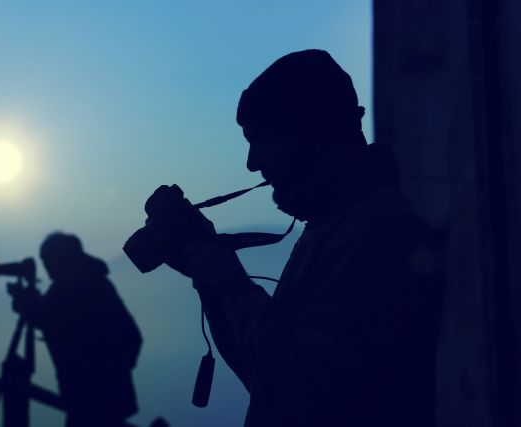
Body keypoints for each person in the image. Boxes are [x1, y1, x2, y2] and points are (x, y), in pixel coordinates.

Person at [151, 49, 444, 426]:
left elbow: (309, 401)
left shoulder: (379, 232)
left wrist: (235, 288)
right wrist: (211, 283)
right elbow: (265, 380)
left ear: (312, 133)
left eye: (259, 140)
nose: (251, 163)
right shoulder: (334, 223)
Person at [10, 232, 142, 427]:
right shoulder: (93, 281)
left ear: (60, 258)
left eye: (47, 259)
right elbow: (131, 337)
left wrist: (25, 302)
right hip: (109, 399)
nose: (46, 266)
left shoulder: (73, 285)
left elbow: (49, 316)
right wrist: (116, 373)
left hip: (90, 401)